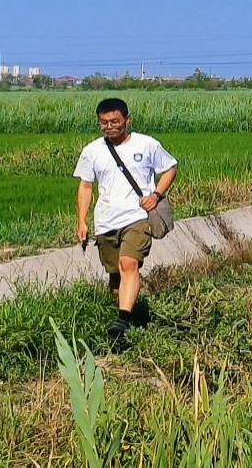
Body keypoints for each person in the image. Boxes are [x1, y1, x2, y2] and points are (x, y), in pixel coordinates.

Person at [74, 98, 178, 340]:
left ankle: (123, 320)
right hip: (106, 221)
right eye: (104, 123)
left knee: (128, 264)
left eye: (115, 122)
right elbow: (86, 187)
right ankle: (127, 318)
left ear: (127, 120)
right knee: (115, 276)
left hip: (137, 217)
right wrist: (82, 221)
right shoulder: (92, 151)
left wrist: (156, 194)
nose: (110, 127)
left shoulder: (147, 144)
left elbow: (170, 167)